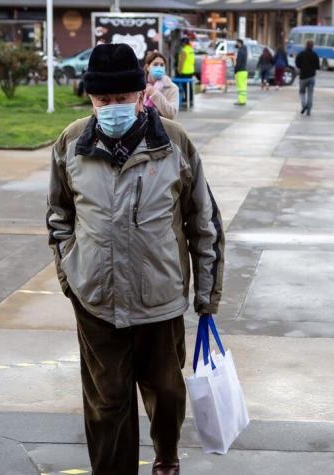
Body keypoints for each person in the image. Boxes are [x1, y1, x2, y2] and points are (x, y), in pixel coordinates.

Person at [46, 43, 224, 475]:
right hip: (96, 301)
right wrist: (71, 274)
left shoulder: (174, 142)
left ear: (141, 93)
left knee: (166, 393)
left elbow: (204, 222)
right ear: (91, 98)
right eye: (102, 100)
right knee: (108, 404)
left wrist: (206, 296)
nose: (111, 108)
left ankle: (167, 457)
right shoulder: (71, 143)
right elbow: (59, 215)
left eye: (121, 99)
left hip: (159, 301)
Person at [143, 51, 179, 120]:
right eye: (155, 64)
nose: (159, 67)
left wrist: (155, 94)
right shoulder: (141, 87)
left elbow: (172, 114)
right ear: (148, 67)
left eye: (162, 65)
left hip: (163, 128)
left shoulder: (172, 88)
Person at [295, 40, 319, 115]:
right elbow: (318, 66)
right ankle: (309, 110)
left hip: (303, 77)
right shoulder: (315, 55)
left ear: (305, 45)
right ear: (312, 46)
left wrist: (301, 67)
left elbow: (297, 63)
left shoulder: (301, 54)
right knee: (310, 94)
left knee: (302, 92)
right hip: (311, 77)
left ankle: (304, 105)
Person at [234, 39, 248, 106]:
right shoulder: (245, 50)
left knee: (240, 87)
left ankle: (241, 101)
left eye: (236, 43)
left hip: (240, 71)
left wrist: (235, 70)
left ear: (239, 43)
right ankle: (243, 100)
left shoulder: (240, 51)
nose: (235, 44)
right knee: (243, 87)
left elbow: (238, 62)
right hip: (244, 71)